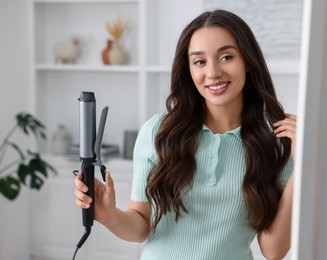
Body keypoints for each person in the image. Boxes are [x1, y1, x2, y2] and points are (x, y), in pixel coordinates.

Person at [74, 9, 296, 260]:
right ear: (188, 70)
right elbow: (141, 224)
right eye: (199, 61)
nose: (212, 73)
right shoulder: (159, 132)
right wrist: (109, 215)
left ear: (248, 62)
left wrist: (302, 166)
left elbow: (273, 250)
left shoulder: (274, 147)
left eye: (226, 57)